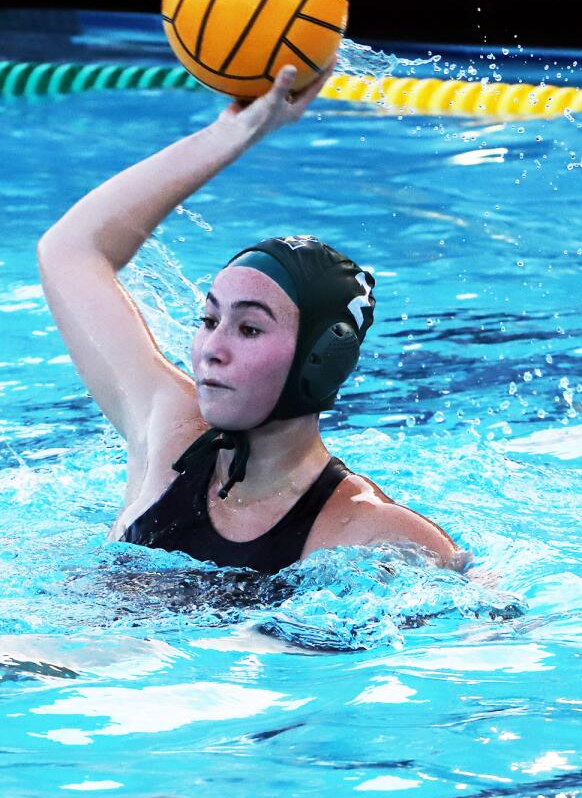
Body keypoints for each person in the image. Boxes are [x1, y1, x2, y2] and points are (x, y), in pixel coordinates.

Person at [37, 63, 466, 575]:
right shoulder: (167, 430)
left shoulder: (369, 531)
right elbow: (69, 248)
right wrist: (234, 132)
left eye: (249, 328)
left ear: (319, 359)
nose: (209, 350)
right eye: (209, 319)